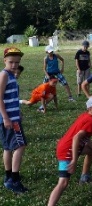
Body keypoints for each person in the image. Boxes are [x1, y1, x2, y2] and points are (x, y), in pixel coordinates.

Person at [47, 96, 92, 206]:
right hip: (67, 151)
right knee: (63, 183)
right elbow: (76, 138)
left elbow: (86, 140)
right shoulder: (91, 121)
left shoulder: (86, 116)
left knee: (90, 152)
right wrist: (74, 160)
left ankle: (84, 177)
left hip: (67, 147)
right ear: (91, 108)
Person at [0, 47, 28, 193]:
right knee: (20, 146)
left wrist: (18, 113)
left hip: (13, 117)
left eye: (17, 62)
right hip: (9, 119)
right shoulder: (4, 75)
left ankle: (8, 176)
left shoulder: (11, 75)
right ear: (4, 60)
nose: (14, 65)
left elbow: (11, 98)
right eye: (11, 62)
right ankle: (14, 180)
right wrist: (6, 117)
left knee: (7, 148)